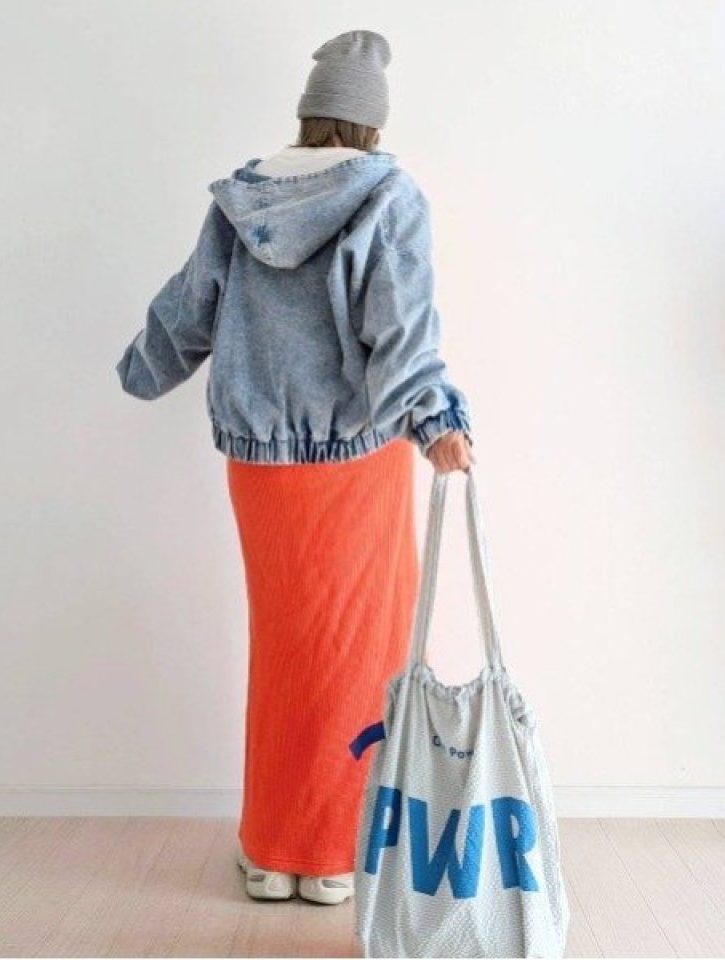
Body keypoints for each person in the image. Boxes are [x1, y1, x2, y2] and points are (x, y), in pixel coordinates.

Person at [115, 28, 476, 906]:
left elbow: (188, 308)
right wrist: (438, 423)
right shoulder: (387, 196)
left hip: (260, 467)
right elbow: (402, 332)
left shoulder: (245, 199)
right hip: (356, 457)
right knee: (360, 650)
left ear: (309, 114)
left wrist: (140, 369)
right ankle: (333, 852)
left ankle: (272, 849)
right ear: (373, 123)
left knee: (284, 650)